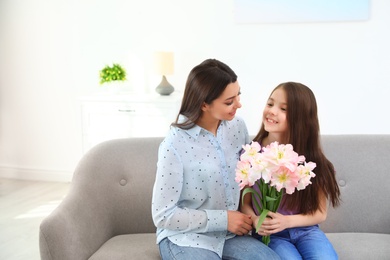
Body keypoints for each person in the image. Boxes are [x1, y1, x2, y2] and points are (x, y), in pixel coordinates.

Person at [151, 59, 280, 260]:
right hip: (186, 237)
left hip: (231, 235)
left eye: (238, 95)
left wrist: (251, 217)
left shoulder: (237, 127)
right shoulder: (174, 145)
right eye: (229, 102)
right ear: (204, 104)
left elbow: (246, 180)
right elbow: (163, 215)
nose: (239, 104)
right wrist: (224, 219)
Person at [241, 82, 341, 259]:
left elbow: (320, 213)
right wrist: (256, 221)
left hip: (306, 232)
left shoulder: (312, 161)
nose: (272, 111)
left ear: (301, 118)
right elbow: (245, 204)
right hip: (271, 235)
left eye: (284, 109)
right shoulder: (252, 154)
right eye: (270, 104)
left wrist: (287, 221)